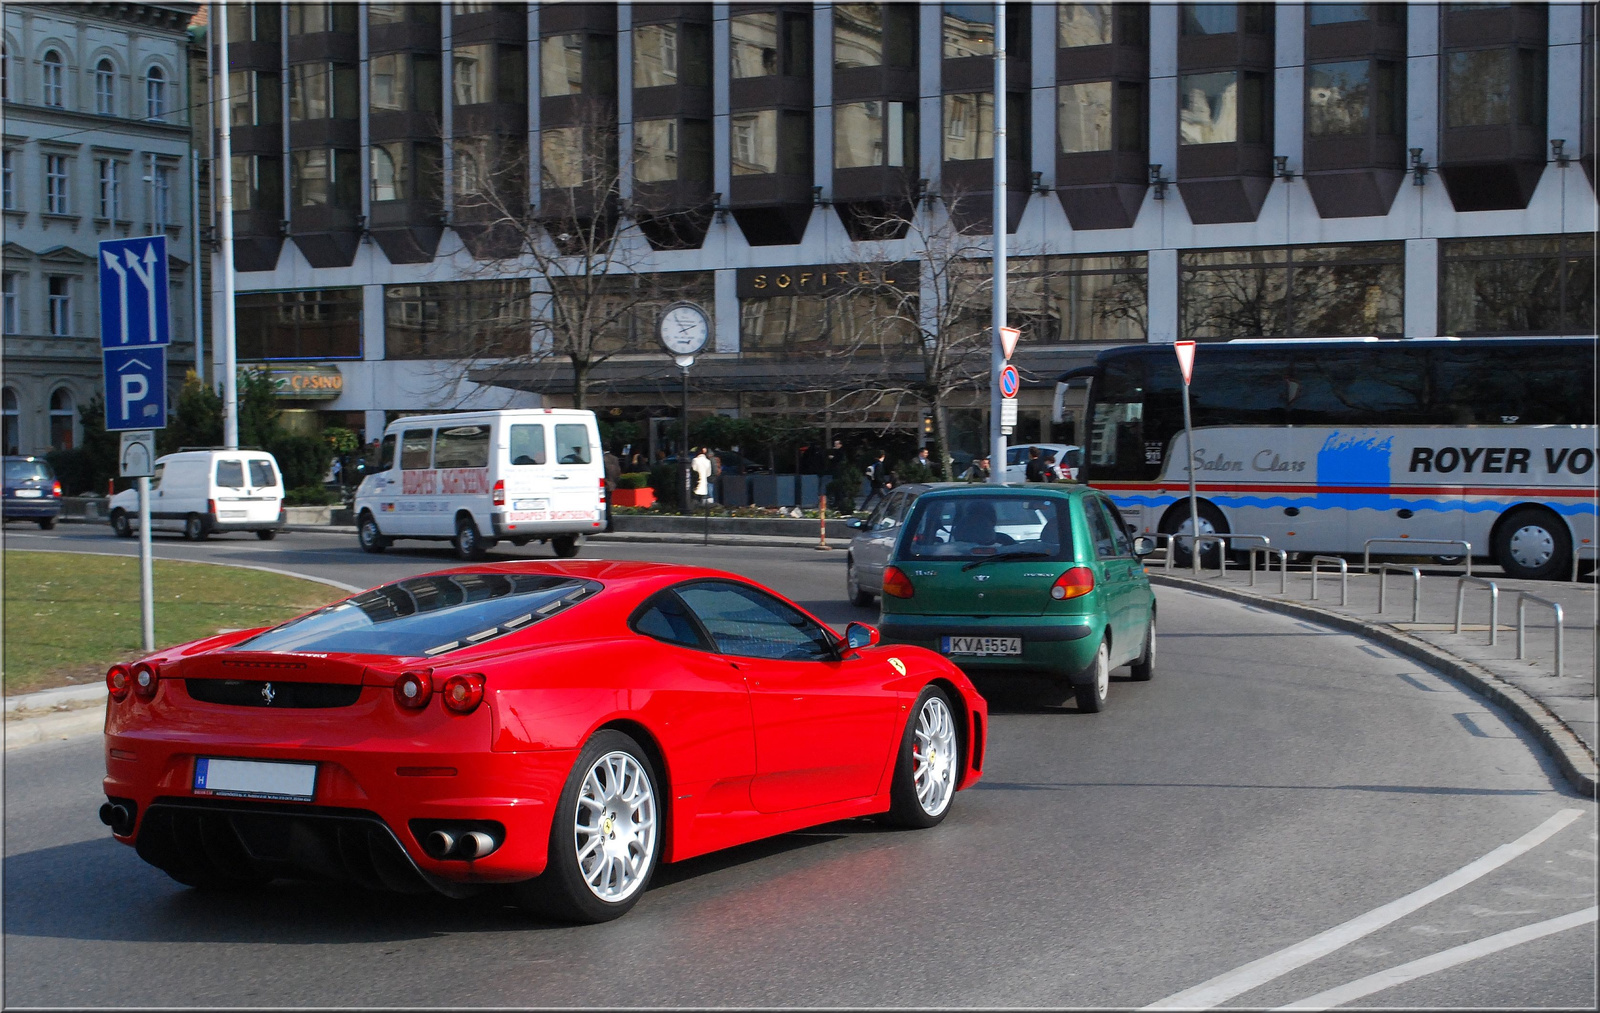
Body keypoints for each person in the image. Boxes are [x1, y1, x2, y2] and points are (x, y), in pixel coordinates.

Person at [603, 448, 622, 531]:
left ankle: (608, 526)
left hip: (605, 484)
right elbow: (618, 471)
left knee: (605, 506)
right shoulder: (614, 458)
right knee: (608, 505)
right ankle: (610, 526)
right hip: (612, 484)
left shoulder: (602, 458)